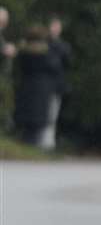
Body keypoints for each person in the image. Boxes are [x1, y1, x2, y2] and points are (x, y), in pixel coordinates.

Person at [12, 23, 62, 147]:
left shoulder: (23, 51)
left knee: (27, 122)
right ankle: (36, 145)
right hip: (42, 89)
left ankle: (27, 144)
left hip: (26, 86)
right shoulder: (46, 52)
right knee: (39, 122)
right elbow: (56, 66)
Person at [38, 15, 71, 150]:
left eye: (57, 27)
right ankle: (41, 141)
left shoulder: (63, 46)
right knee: (44, 113)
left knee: (53, 114)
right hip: (45, 84)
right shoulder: (44, 44)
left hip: (57, 85)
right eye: (53, 26)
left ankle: (48, 142)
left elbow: (66, 62)